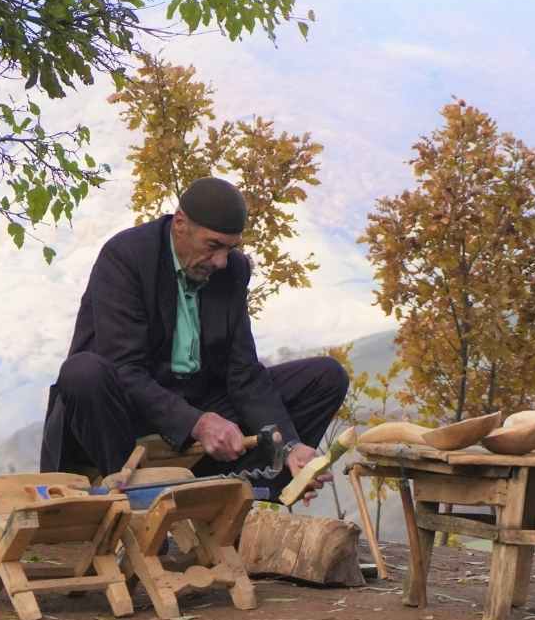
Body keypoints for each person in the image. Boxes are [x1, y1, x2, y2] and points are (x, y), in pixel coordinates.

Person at [40, 177, 348, 503]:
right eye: (213, 245)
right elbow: (124, 369)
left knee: (326, 377)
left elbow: (243, 373)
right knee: (82, 371)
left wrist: (288, 446)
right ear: (180, 224)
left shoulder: (232, 271)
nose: (221, 261)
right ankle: (135, 504)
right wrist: (198, 423)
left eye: (231, 248)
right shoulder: (126, 257)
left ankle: (232, 495)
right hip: (120, 412)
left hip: (194, 403)